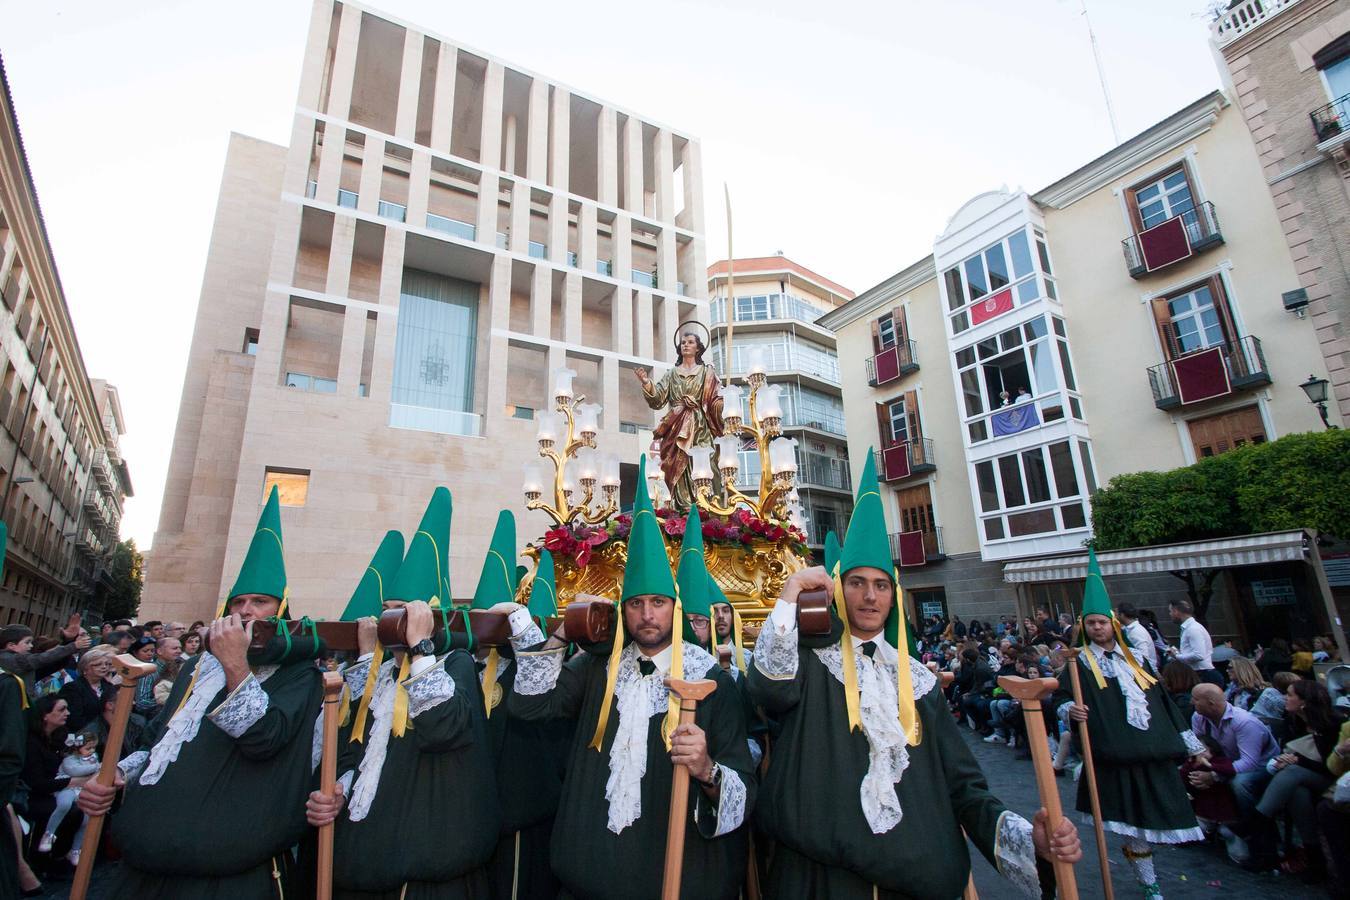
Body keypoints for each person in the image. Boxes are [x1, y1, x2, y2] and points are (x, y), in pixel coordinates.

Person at [747, 452, 1080, 898]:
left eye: (881, 585)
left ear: (893, 595)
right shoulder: (805, 661)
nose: (869, 596)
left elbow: (963, 785)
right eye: (857, 583)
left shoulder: (920, 682)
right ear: (837, 590)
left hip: (915, 879)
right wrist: (791, 593)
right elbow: (768, 690)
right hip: (819, 879)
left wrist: (1029, 840)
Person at [496, 457, 754, 900]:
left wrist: (706, 768)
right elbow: (531, 705)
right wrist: (565, 628)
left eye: (658, 602)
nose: (648, 614)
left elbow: (743, 795)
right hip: (588, 876)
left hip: (674, 878)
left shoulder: (709, 679)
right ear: (622, 610)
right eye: (636, 603)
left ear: (674, 608)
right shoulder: (597, 669)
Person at [77, 485, 325, 898]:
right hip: (145, 864)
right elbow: (160, 740)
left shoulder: (299, 675)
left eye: (260, 602)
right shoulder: (196, 668)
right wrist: (118, 774)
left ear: (280, 610)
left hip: (227, 873)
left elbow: (266, 739)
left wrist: (235, 665)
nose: (245, 611)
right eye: (238, 601)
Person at [304, 489, 500, 897]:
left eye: (404, 611)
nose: (393, 621)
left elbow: (444, 727)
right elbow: (353, 749)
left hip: (424, 873)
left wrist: (422, 647)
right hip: (362, 860)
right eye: (388, 610)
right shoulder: (377, 675)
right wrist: (338, 789)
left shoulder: (455, 665)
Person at [1067, 550, 1205, 900]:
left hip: (1154, 753)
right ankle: (1149, 883)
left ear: (1113, 623)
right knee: (1131, 828)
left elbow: (1162, 704)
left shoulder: (1138, 660)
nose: (1097, 628)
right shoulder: (1080, 663)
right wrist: (1071, 710)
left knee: (1159, 817)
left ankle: (1153, 877)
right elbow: (1063, 699)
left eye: (1102, 622)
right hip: (1115, 756)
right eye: (1091, 623)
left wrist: (1193, 745)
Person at [1249, 679, 1347, 879]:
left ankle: (1254, 821)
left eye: (1290, 694)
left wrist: (1297, 761)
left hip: (1333, 779)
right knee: (1297, 792)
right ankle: (1314, 858)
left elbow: (1332, 767)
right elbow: (1288, 752)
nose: (1285, 698)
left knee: (1292, 773)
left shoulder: (1333, 724)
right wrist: (1288, 760)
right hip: (1303, 779)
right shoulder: (1293, 722)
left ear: (1304, 701)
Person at [635, 325, 724, 512]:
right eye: (683, 343)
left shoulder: (707, 373)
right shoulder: (672, 373)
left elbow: (716, 400)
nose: (686, 345)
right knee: (677, 465)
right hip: (676, 425)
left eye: (690, 342)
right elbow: (658, 399)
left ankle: (706, 504)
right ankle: (683, 508)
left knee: (705, 462)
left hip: (701, 426)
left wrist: (723, 405)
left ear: (698, 348)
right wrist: (646, 383)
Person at [1188, 683, 1279, 817]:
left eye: (1195, 699)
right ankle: (1207, 819)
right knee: (1188, 774)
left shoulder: (1244, 722)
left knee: (1239, 783)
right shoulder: (1198, 717)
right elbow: (1199, 749)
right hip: (1225, 763)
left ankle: (1251, 824)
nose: (1191, 702)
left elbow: (1249, 763)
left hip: (1262, 766)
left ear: (1211, 703)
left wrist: (1215, 776)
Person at [36, 732, 99, 866]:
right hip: (67, 789)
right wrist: (96, 767)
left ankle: (76, 849)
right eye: (88, 748)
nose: (92, 751)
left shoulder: (93, 758)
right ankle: (49, 834)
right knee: (64, 805)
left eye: (93, 748)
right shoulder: (69, 760)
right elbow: (75, 771)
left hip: (81, 790)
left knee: (87, 816)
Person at [0, 616, 90, 698]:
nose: (31, 646)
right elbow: (41, 659)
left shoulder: (23, 666)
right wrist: (73, 646)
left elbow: (54, 665)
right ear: (11, 645)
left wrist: (68, 641)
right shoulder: (8, 659)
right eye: (27, 642)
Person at [57, 646, 115, 733]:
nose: (104, 667)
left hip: (108, 733)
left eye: (106, 664)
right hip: (81, 734)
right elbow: (73, 719)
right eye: (98, 664)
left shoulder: (109, 687)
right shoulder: (72, 688)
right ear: (85, 668)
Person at [1169, 600, 1220, 686]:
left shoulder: (1193, 629)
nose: (1170, 614)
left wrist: (1177, 656)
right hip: (1200, 674)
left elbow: (1199, 655)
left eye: (1170, 611)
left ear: (1176, 611)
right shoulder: (1190, 628)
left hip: (1203, 675)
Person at [1117, 603, 1159, 670]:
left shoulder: (1136, 631)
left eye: (1117, 613)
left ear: (1122, 615)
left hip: (1145, 672)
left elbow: (1144, 657)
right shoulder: (1130, 629)